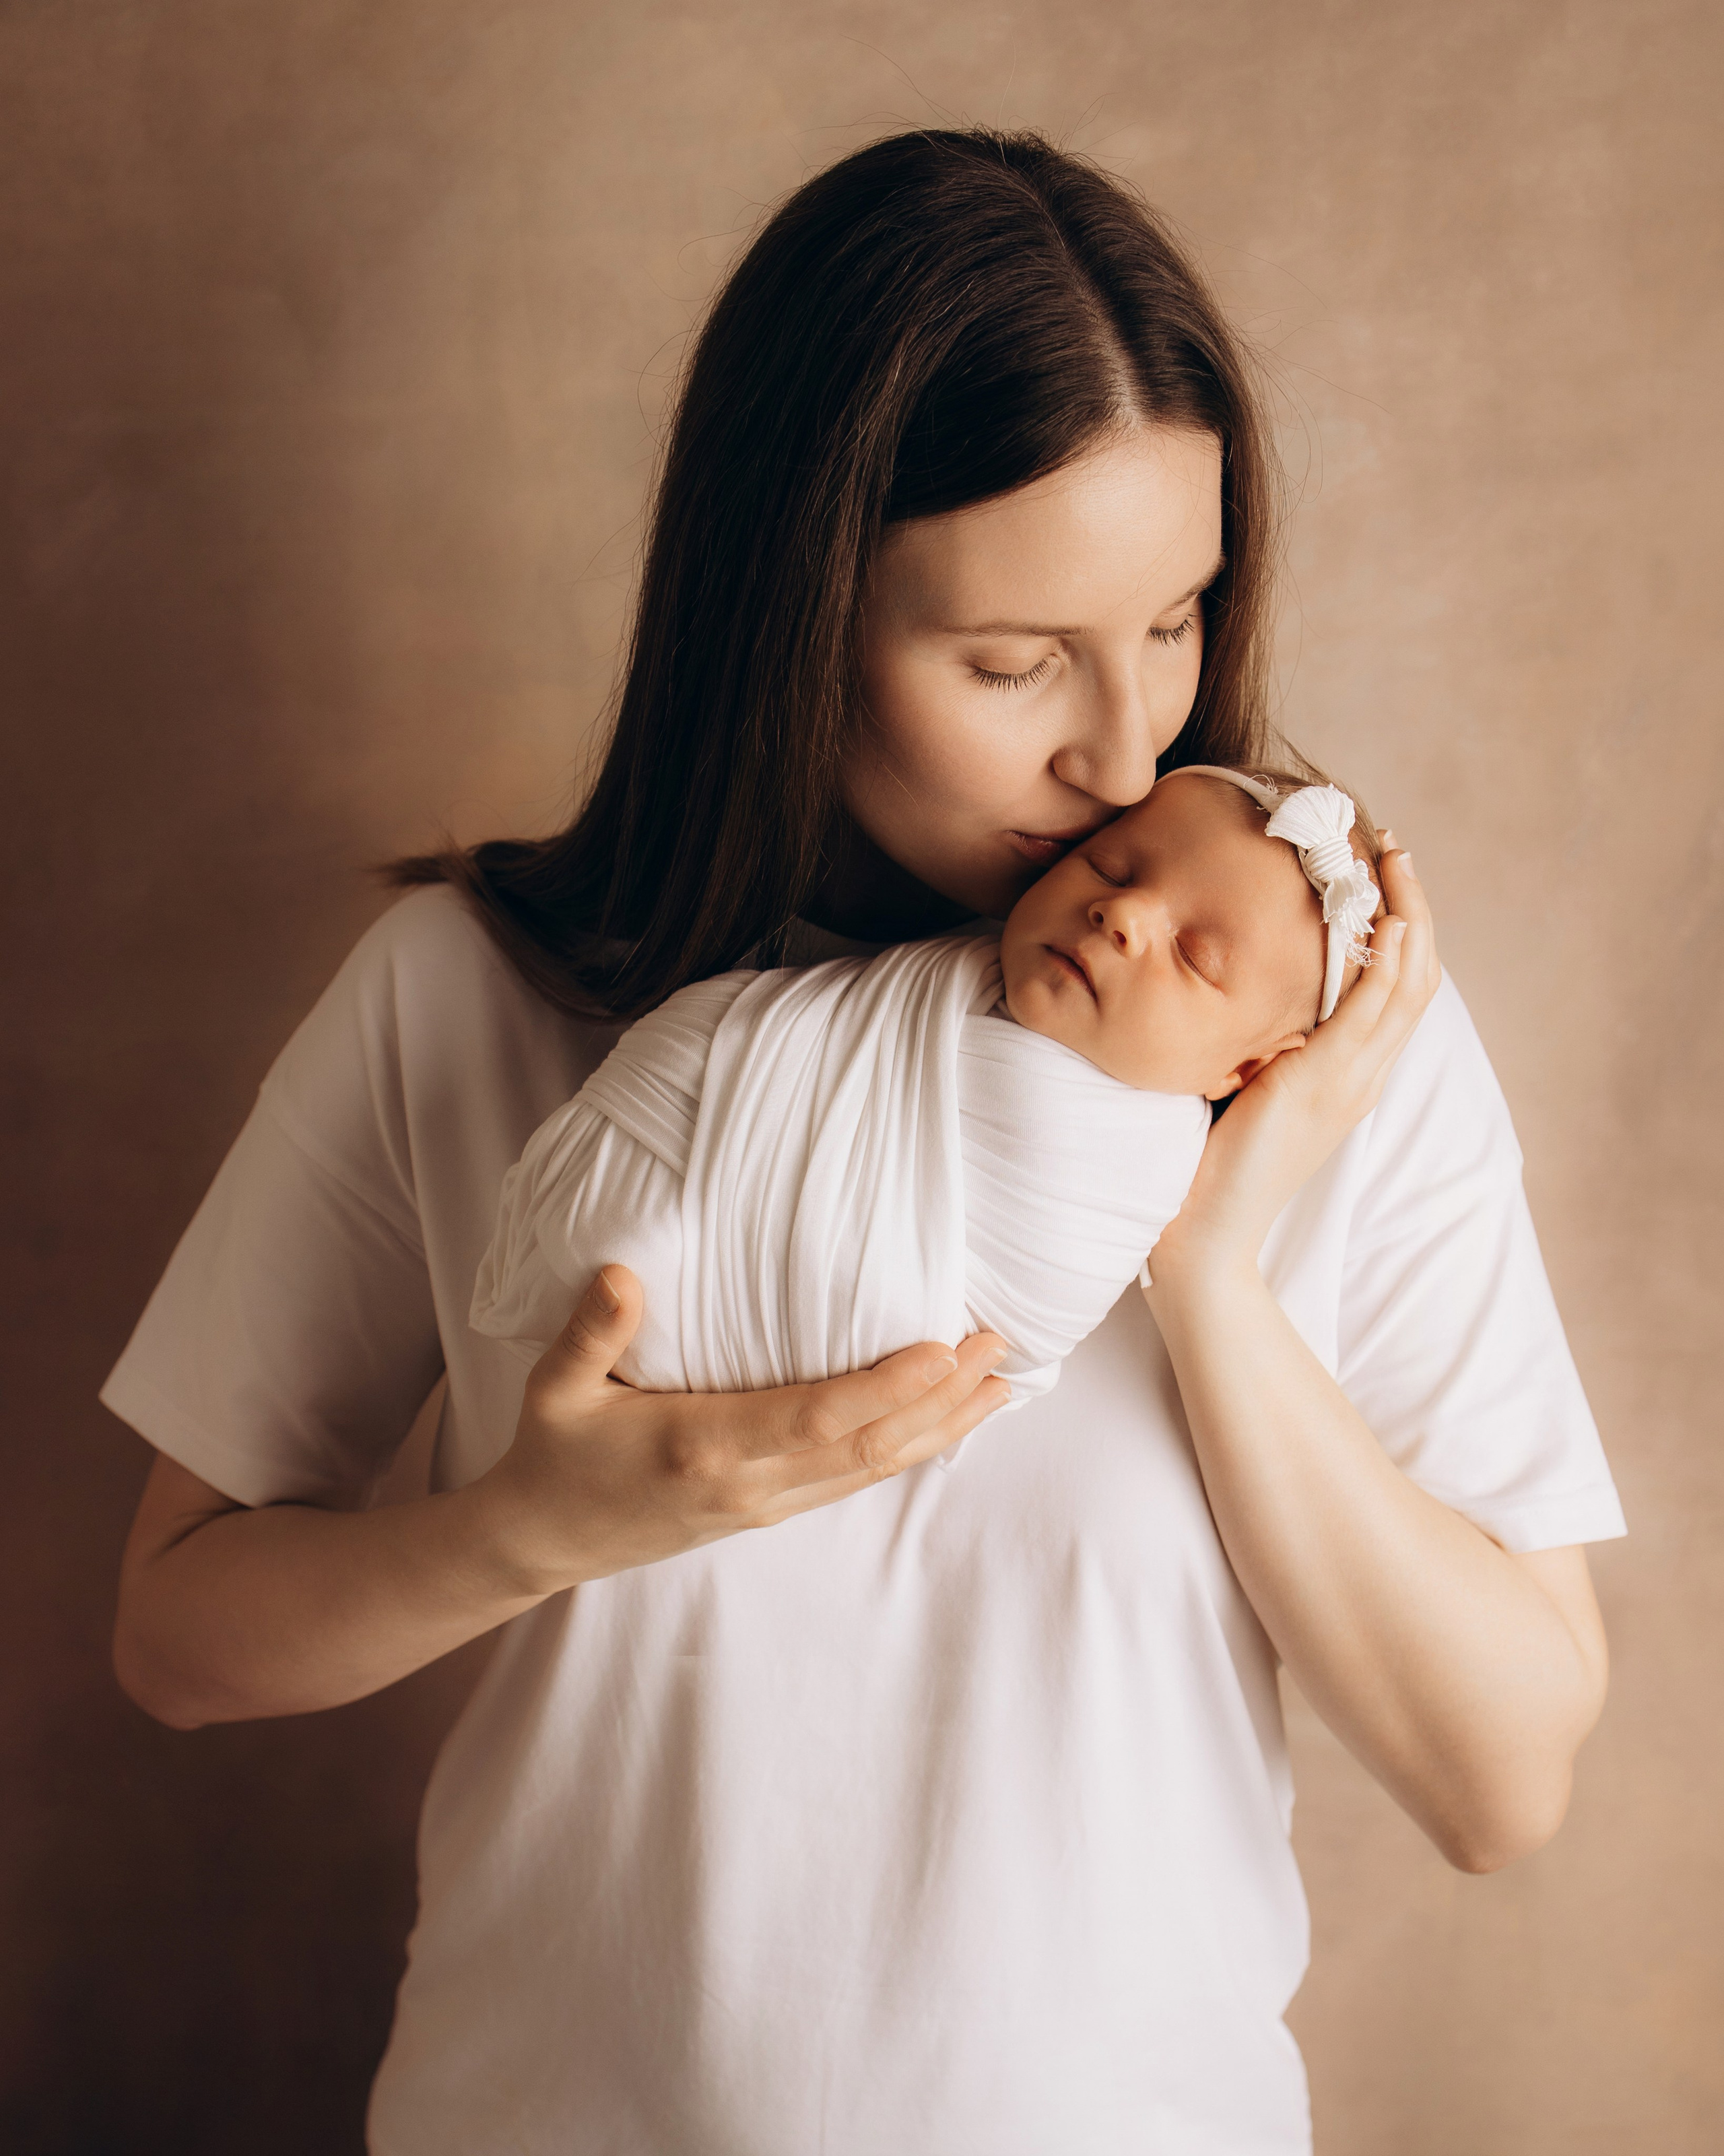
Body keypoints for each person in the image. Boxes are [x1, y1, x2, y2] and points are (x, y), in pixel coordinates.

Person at [104, 130, 1623, 2155]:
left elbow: (1500, 1784)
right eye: (1012, 663)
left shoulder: (1322, 1047)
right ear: (792, 611)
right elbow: (177, 1642)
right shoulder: (470, 1000)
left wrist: (1209, 1260)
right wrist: (525, 1530)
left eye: (1173, 622)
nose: (1121, 753)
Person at [471, 766, 1382, 1412]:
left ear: (1248, 1072)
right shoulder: (937, 970)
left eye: (1196, 955)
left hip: (725, 1293)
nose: (1124, 913)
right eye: (1111, 864)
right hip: (634, 1157)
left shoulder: (1135, 1163)